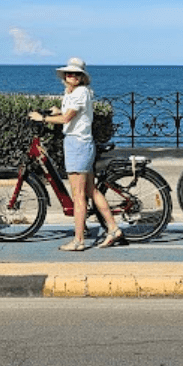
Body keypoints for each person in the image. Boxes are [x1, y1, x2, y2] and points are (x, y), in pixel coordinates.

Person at [29, 58, 126, 251]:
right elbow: (68, 113)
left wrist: (43, 118)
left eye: (74, 73)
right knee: (91, 191)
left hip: (78, 145)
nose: (69, 76)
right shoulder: (73, 93)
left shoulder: (80, 93)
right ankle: (113, 229)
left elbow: (67, 118)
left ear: (81, 77)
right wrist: (55, 110)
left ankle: (79, 240)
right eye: (67, 73)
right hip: (78, 144)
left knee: (79, 196)